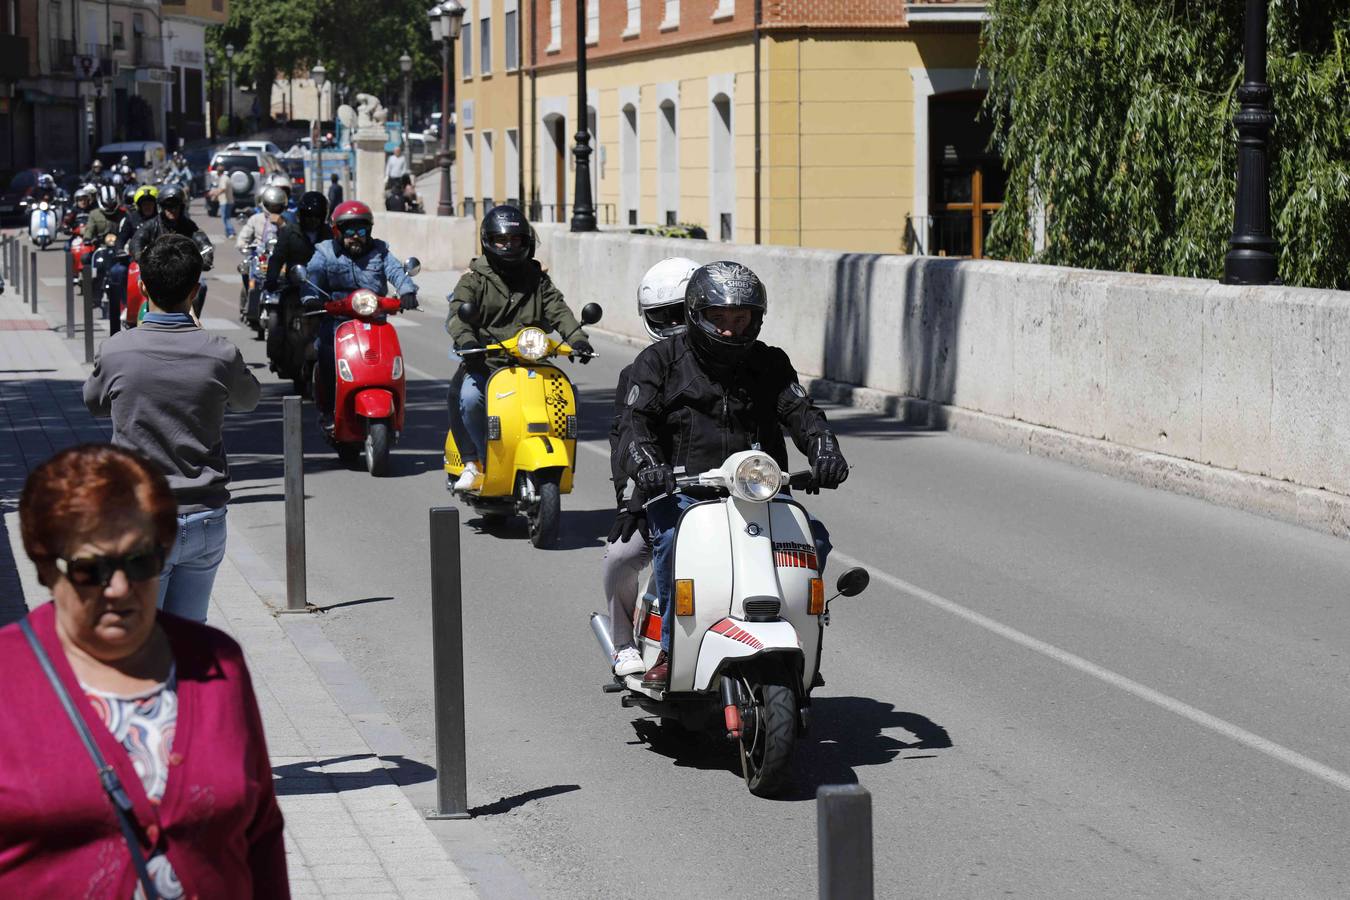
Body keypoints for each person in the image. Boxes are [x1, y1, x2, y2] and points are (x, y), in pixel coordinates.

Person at [1, 443, 287, 896]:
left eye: (139, 562)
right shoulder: (9, 678)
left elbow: (261, 832)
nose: (118, 587)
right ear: (44, 566)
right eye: (91, 568)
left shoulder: (216, 664)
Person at [619, 261, 850, 687]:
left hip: (760, 490)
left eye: (741, 318)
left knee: (814, 537)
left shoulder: (770, 362)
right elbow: (636, 423)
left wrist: (825, 450)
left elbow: (802, 412)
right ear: (695, 315)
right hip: (685, 490)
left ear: (756, 319)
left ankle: (800, 636)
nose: (729, 329)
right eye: (718, 318)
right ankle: (672, 649)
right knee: (671, 541)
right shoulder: (659, 361)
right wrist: (650, 466)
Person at [83, 234, 261, 622]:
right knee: (190, 636)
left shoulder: (117, 350)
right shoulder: (220, 352)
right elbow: (249, 400)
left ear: (143, 287)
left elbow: (94, 404)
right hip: (205, 516)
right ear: (195, 290)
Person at [445, 205, 594, 491]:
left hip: (532, 363)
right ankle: (475, 462)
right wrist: (468, 343)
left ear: (526, 242)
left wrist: (578, 339)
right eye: (502, 240)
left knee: (568, 396)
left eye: (515, 240)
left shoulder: (538, 280)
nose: (509, 246)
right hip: (486, 362)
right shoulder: (473, 280)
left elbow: (558, 310)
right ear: (488, 241)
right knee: (469, 397)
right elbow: (457, 315)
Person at [603, 257, 698, 677]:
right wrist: (631, 501)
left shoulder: (736, 365)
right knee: (621, 555)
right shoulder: (638, 372)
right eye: (664, 316)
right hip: (660, 493)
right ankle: (624, 642)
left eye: (681, 313)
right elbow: (624, 438)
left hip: (731, 493)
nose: (674, 325)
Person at [300, 201, 419, 431]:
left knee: (391, 360)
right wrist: (310, 297)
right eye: (349, 231)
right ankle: (329, 409)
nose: (356, 236)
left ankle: (394, 407)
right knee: (326, 354)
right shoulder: (325, 252)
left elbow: (396, 271)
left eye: (361, 231)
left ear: (369, 231)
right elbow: (312, 278)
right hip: (337, 322)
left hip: (375, 321)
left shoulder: (380, 251)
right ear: (337, 231)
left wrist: (407, 292)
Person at [262, 190, 328, 372]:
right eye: (308, 215)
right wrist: (271, 279)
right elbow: (277, 258)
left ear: (323, 216)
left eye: (316, 216)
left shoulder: (329, 234)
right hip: (294, 288)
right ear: (301, 215)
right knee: (278, 320)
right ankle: (278, 355)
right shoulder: (289, 232)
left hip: (322, 291)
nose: (312, 220)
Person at [106, 185, 158, 335]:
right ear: (139, 205)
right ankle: (125, 305)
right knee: (117, 271)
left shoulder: (161, 219)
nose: (147, 206)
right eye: (144, 203)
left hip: (159, 260)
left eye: (150, 203)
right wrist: (119, 250)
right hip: (135, 259)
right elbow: (121, 239)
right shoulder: (131, 218)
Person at [210, 163, 236, 238]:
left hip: (225, 202)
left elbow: (223, 188)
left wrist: (215, 194)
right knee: (226, 217)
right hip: (228, 201)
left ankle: (231, 232)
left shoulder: (223, 178)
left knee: (226, 218)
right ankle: (228, 232)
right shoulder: (225, 178)